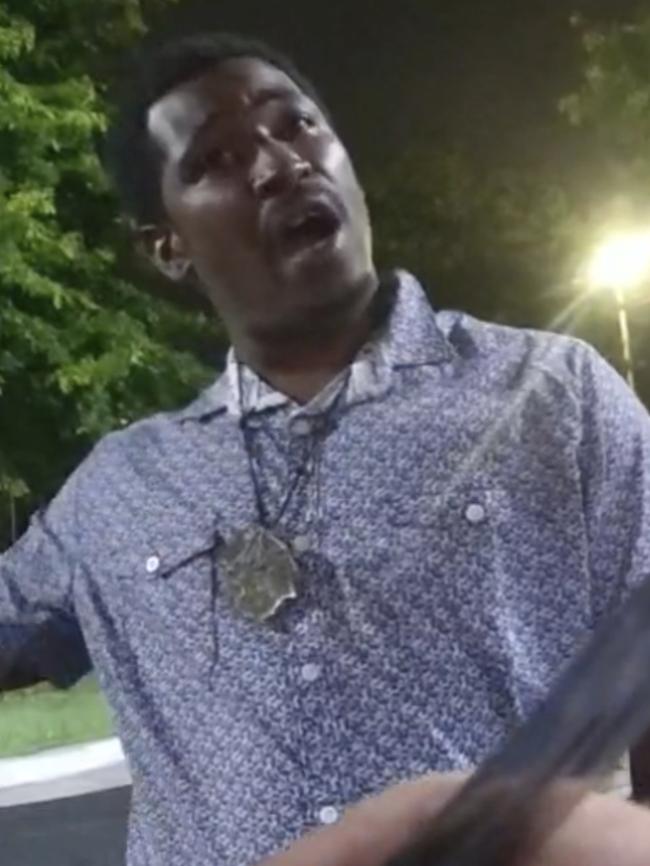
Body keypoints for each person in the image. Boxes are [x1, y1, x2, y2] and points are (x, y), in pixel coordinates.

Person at [1, 30, 650, 866]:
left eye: (298, 125)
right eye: (219, 159)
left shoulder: (555, 394)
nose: (280, 164)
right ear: (169, 248)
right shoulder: (118, 488)